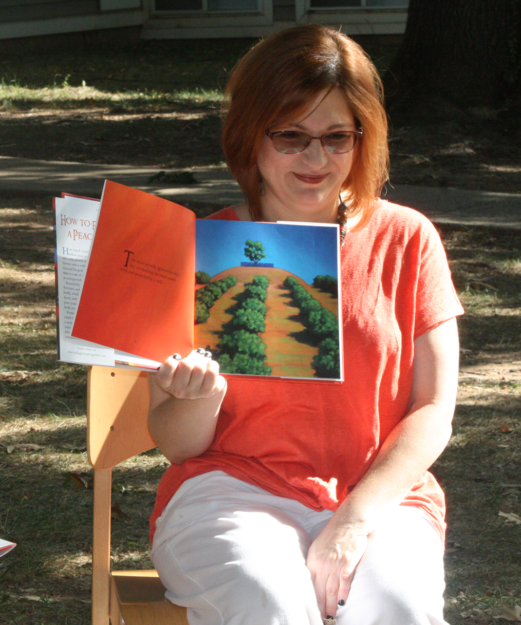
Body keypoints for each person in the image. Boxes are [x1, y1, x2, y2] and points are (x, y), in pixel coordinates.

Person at [147, 25, 462, 625]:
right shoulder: (197, 250)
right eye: (291, 137)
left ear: (363, 139)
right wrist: (198, 398)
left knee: (400, 608)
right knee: (273, 605)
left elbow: (434, 408)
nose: (315, 160)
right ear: (250, 137)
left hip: (381, 496)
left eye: (336, 138)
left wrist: (355, 518)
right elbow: (176, 443)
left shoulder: (407, 238)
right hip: (230, 493)